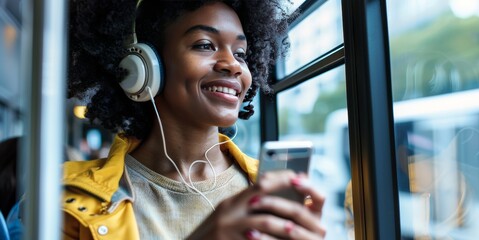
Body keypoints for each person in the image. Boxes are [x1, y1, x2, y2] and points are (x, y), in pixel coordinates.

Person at [64, 0, 326, 239]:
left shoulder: (271, 191)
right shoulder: (65, 197)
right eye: (204, 45)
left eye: (241, 54)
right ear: (141, 66)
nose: (233, 65)